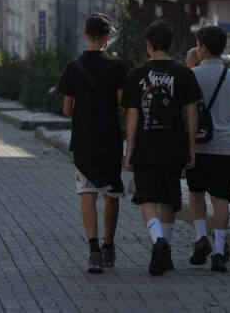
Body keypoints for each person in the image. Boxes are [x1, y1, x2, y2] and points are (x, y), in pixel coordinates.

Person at [123, 20, 201, 276]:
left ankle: (158, 240)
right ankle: (165, 249)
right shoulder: (184, 74)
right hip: (174, 145)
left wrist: (129, 148)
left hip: (146, 145)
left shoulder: (136, 75)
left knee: (146, 196)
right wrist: (191, 146)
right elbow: (191, 112)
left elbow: (132, 114)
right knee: (169, 196)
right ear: (171, 44)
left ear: (148, 44)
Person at [58, 14, 127, 274]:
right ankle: (109, 245)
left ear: (86, 36)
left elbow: (67, 109)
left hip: (84, 140)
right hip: (110, 139)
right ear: (107, 37)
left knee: (87, 193)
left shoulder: (74, 67)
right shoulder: (117, 66)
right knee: (111, 193)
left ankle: (94, 250)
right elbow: (122, 103)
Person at [186, 25, 230, 272]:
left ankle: (200, 237)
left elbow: (185, 112)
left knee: (196, 192)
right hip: (227, 147)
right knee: (221, 199)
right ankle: (219, 251)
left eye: (198, 44)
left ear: (204, 47)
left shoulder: (191, 75)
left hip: (198, 146)